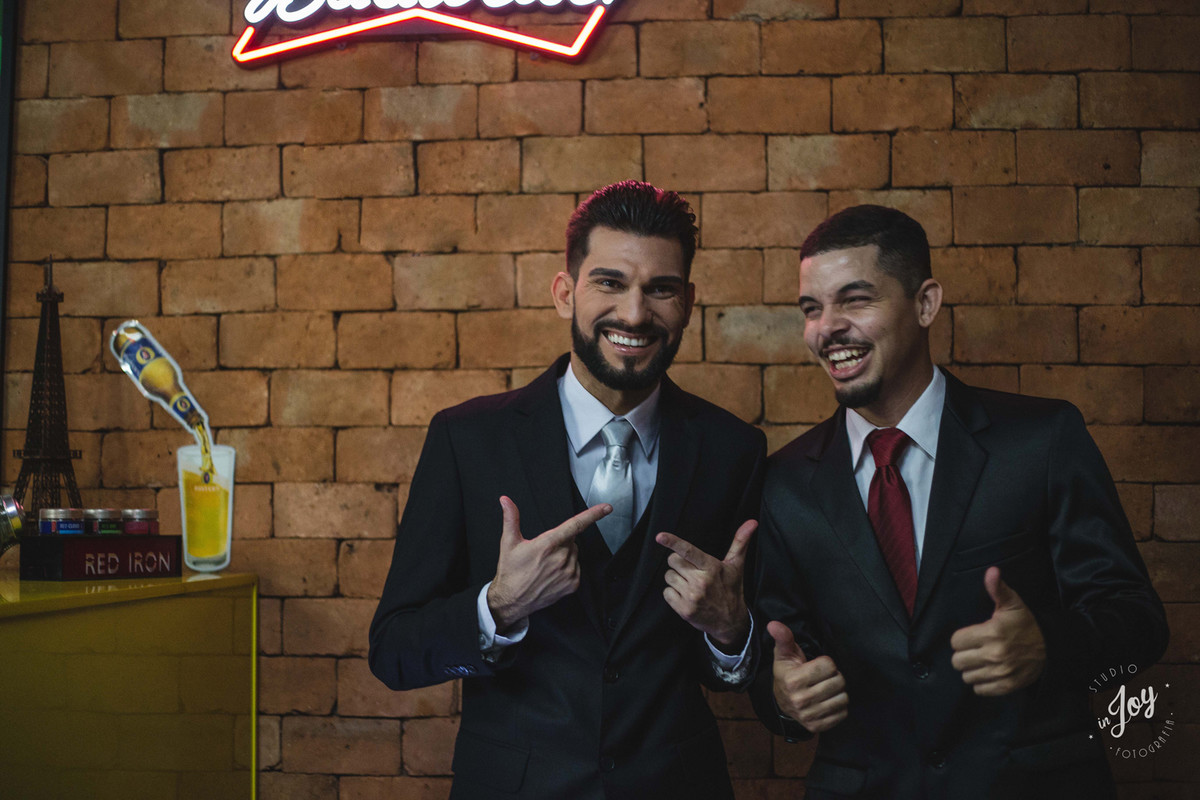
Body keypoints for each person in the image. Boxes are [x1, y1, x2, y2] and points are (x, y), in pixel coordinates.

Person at [751, 204, 1168, 799]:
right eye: (811, 309)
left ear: (924, 304)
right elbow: (784, 663)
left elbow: (1139, 622)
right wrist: (782, 697)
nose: (827, 328)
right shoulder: (785, 482)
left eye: (856, 300)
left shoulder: (1041, 441)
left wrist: (1048, 646)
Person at [370, 181, 766, 800]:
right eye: (610, 282)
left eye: (659, 289)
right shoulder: (467, 439)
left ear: (687, 302)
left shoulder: (732, 451)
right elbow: (392, 651)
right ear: (565, 292)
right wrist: (497, 606)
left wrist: (730, 630)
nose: (635, 314)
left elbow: (736, 667)